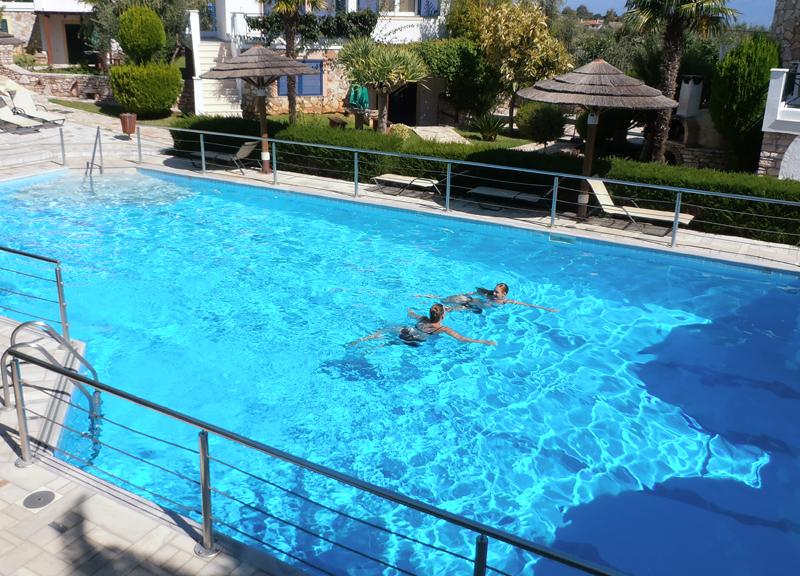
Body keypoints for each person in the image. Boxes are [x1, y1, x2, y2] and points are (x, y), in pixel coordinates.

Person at [350, 303, 496, 347]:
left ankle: (363, 341)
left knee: (384, 332)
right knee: (390, 343)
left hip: (406, 330)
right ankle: (371, 347)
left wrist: (408, 306)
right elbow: (462, 339)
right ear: (443, 316)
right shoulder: (443, 328)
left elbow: (411, 314)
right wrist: (483, 341)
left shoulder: (423, 319)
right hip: (416, 339)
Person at [418, 283, 559, 313]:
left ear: (504, 294)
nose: (495, 293)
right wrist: (466, 294)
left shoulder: (506, 301)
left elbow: (527, 305)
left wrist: (546, 308)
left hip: (473, 308)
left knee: (449, 309)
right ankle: (429, 297)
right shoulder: (487, 294)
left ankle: (435, 307)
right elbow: (474, 293)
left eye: (497, 292)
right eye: (495, 291)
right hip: (470, 301)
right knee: (446, 299)